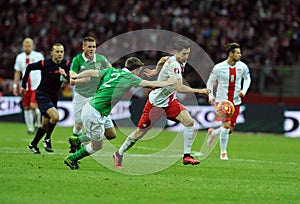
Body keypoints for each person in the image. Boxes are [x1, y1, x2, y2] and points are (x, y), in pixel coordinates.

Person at [64, 57, 175, 170]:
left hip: (96, 108)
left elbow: (91, 72)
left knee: (111, 134)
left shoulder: (111, 70)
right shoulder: (130, 77)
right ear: (135, 69)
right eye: (139, 70)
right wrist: (169, 83)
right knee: (97, 146)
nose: (139, 73)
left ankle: (77, 140)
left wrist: (76, 76)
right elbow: (152, 85)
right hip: (95, 111)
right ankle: (72, 158)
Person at [113, 40, 210, 168]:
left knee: (189, 122)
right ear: (176, 53)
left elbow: (163, 59)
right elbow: (179, 87)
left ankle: (187, 156)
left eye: (188, 54)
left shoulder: (177, 59)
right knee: (139, 134)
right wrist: (200, 91)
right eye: (184, 54)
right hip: (156, 103)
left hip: (170, 101)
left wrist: (155, 71)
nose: (186, 57)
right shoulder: (174, 65)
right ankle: (119, 153)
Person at [69, 36, 115, 153]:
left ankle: (78, 141)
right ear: (83, 47)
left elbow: (112, 71)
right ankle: (74, 144)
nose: (92, 49)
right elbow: (72, 81)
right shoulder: (77, 60)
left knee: (107, 130)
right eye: (89, 47)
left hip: (95, 97)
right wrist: (82, 79)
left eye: (94, 47)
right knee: (79, 123)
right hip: (81, 95)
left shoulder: (101, 59)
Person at [22, 43, 71, 154]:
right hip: (42, 95)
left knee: (44, 124)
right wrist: (23, 85)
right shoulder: (45, 63)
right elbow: (29, 67)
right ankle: (47, 139)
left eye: (61, 52)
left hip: (54, 97)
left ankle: (33, 144)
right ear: (51, 53)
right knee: (55, 117)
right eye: (57, 51)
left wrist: (65, 76)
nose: (60, 54)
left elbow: (71, 80)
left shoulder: (66, 64)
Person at [206, 42, 251, 160]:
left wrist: (244, 91)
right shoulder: (219, 67)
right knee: (226, 125)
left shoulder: (243, 67)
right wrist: (210, 96)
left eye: (240, 52)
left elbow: (247, 79)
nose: (240, 55)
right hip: (223, 102)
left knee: (229, 129)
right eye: (237, 53)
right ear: (231, 54)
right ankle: (223, 153)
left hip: (236, 101)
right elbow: (210, 82)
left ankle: (213, 133)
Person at [13, 38, 44, 134]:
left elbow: (44, 69)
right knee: (26, 107)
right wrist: (15, 86)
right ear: (23, 46)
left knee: (33, 105)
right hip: (25, 86)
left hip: (36, 86)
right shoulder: (19, 57)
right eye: (26, 46)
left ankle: (38, 124)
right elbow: (17, 72)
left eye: (29, 46)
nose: (27, 47)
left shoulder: (38, 56)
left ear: (32, 46)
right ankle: (30, 128)